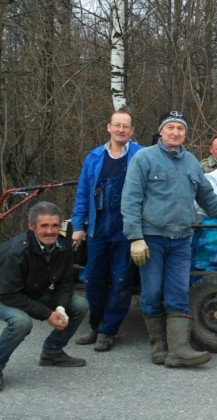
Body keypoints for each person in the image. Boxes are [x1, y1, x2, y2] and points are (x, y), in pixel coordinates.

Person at [122, 110, 217, 368]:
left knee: (178, 292)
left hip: (181, 239)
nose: (175, 132)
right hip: (151, 238)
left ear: (185, 133)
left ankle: (179, 350)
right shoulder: (144, 159)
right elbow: (130, 199)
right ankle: (159, 346)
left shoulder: (191, 162)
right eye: (171, 128)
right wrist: (135, 237)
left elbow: (207, 197)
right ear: (161, 131)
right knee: (152, 292)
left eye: (180, 128)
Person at [0, 202, 88, 392]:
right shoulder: (14, 251)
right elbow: (9, 294)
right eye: (44, 225)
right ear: (32, 226)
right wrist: (47, 314)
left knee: (79, 305)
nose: (50, 231)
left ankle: (52, 352)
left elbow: (66, 281)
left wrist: (60, 308)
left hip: (30, 291)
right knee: (21, 322)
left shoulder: (64, 246)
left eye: (54, 225)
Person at [71, 110, 142, 352]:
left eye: (126, 126)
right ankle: (95, 325)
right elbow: (82, 194)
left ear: (132, 131)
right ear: (109, 127)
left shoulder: (140, 156)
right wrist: (78, 226)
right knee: (93, 279)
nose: (121, 130)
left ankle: (108, 331)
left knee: (121, 279)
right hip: (98, 227)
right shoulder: (93, 157)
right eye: (117, 125)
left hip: (126, 227)